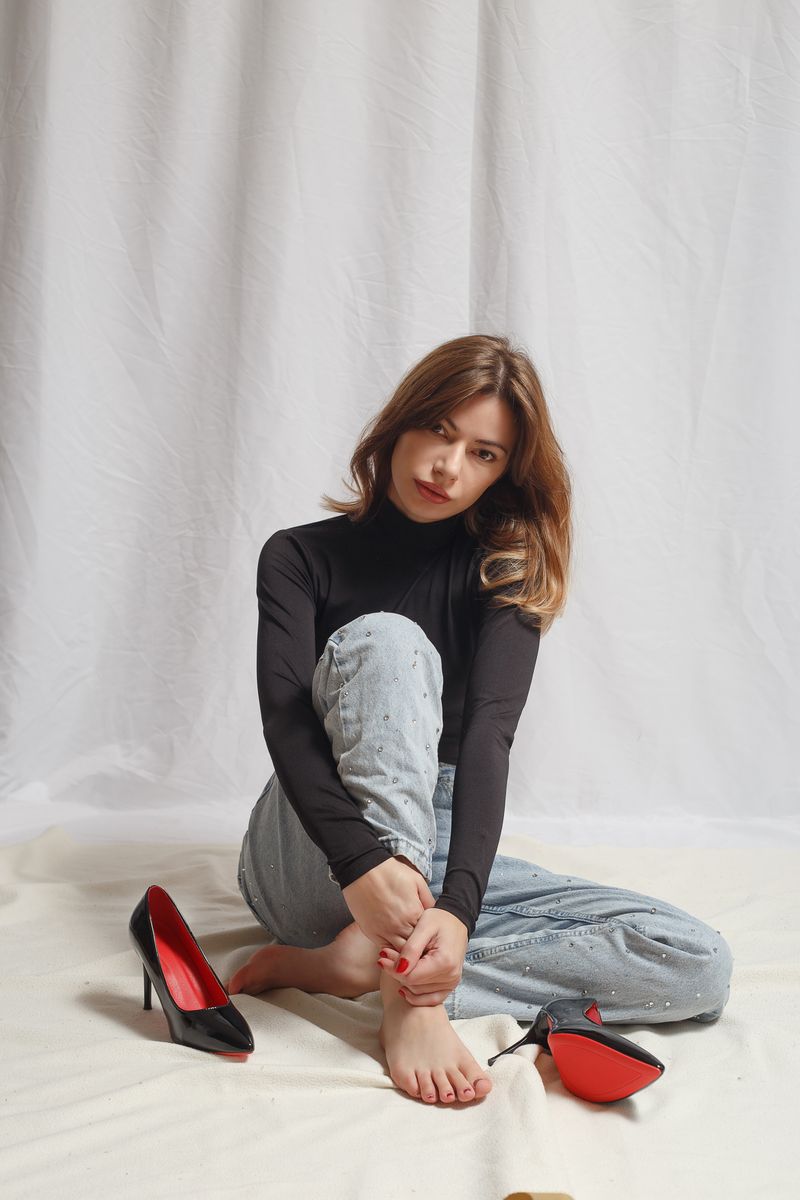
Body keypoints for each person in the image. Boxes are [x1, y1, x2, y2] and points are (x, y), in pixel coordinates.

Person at [225, 333, 733, 1106]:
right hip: (312, 844)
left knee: (696, 961)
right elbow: (285, 726)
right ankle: (413, 1005)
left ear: (504, 471)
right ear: (399, 425)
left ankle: (369, 966)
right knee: (389, 641)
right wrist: (361, 864)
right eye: (438, 431)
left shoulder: (506, 568)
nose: (448, 467)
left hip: (434, 841)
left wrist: (458, 912)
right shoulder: (297, 556)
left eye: (483, 454)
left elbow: (489, 738)